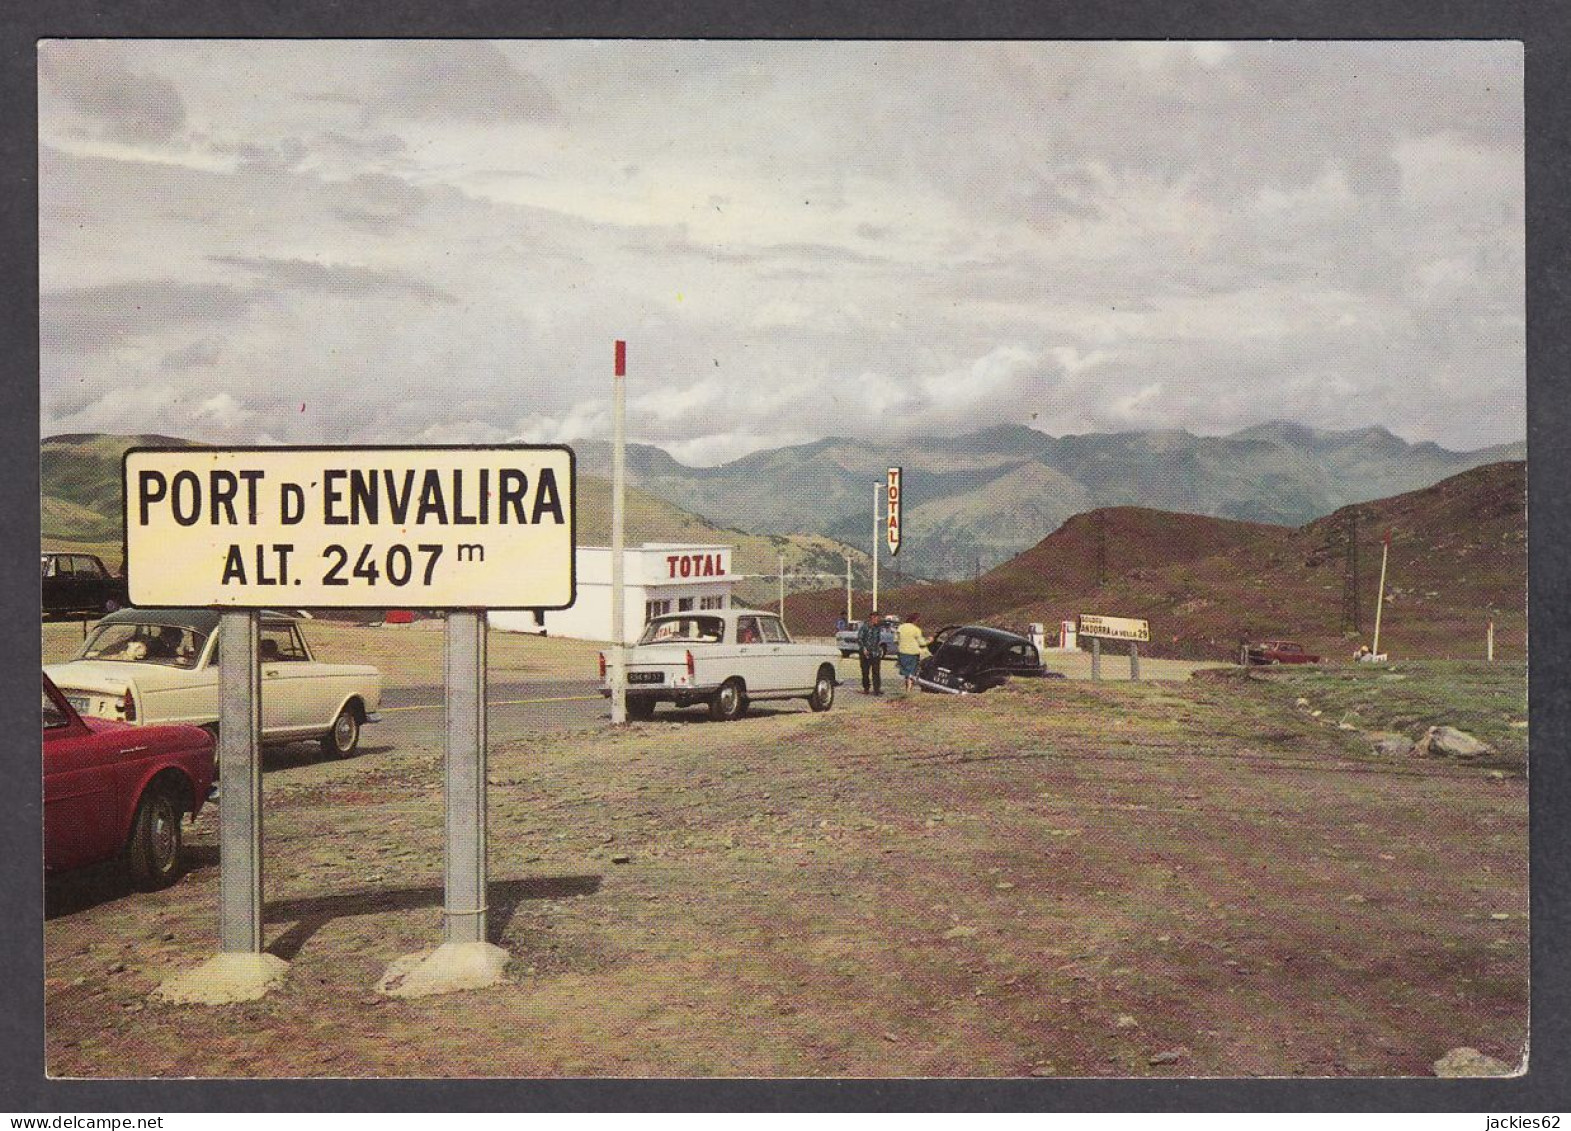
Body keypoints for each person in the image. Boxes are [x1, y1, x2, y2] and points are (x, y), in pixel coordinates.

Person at [895, 612, 928, 692]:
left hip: (902, 652)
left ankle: (907, 687)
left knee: (906, 672)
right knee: (912, 672)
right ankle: (909, 689)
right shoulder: (916, 630)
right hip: (913, 653)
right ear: (916, 620)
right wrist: (929, 640)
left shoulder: (901, 627)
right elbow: (922, 643)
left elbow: (896, 640)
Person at [857, 610, 884, 695]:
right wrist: (864, 648)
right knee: (865, 671)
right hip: (866, 652)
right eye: (875, 618)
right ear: (871, 618)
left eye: (877, 618)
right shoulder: (864, 627)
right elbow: (859, 638)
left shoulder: (878, 628)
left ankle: (877, 689)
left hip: (875, 652)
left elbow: (878, 639)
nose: (877, 620)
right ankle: (866, 688)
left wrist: (879, 649)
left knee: (876, 671)